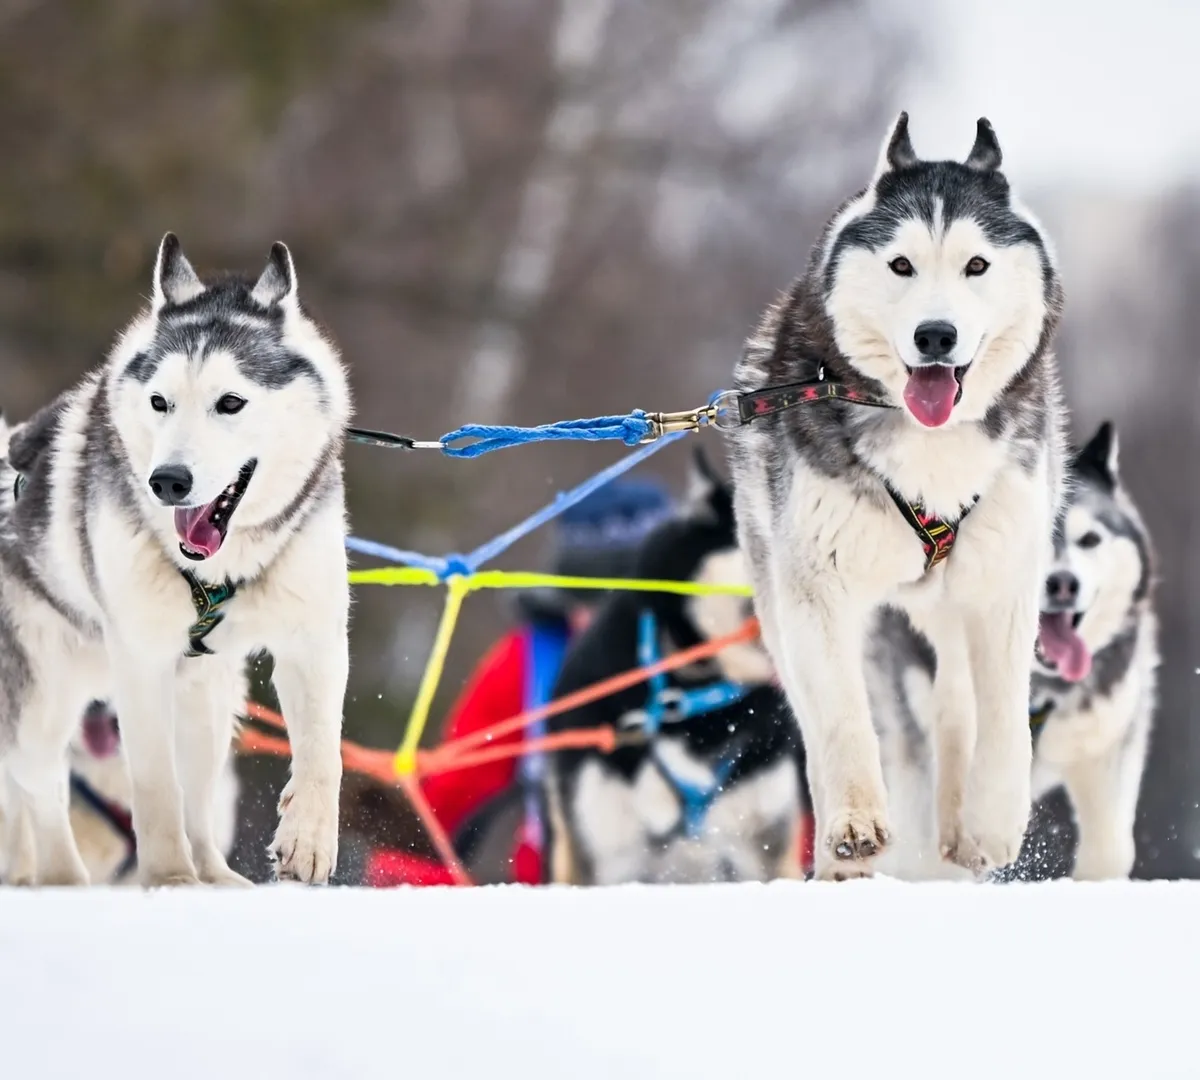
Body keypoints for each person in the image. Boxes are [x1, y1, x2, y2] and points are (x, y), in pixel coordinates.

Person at [362, 477, 674, 887]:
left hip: (717, 901)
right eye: (590, 601)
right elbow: (448, 798)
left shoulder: (745, 660)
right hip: (560, 902)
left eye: (628, 606)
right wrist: (416, 880)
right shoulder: (528, 664)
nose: (606, 626)